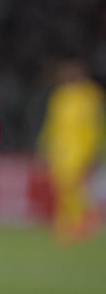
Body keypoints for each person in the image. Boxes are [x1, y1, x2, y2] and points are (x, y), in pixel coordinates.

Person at [36, 57, 104, 246]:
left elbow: (96, 126)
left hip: (81, 149)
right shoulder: (60, 95)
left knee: (72, 186)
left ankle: (79, 223)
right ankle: (72, 224)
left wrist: (94, 151)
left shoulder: (91, 95)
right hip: (60, 150)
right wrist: (44, 148)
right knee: (62, 187)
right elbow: (51, 125)